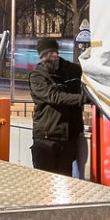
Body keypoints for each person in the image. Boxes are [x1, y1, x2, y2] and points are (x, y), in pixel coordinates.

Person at [28, 37, 83, 175]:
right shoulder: (37, 76)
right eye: (44, 55)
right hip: (46, 138)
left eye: (52, 53)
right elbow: (55, 97)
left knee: (65, 182)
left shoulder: (72, 70)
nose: (49, 57)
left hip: (67, 138)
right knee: (45, 183)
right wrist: (83, 99)